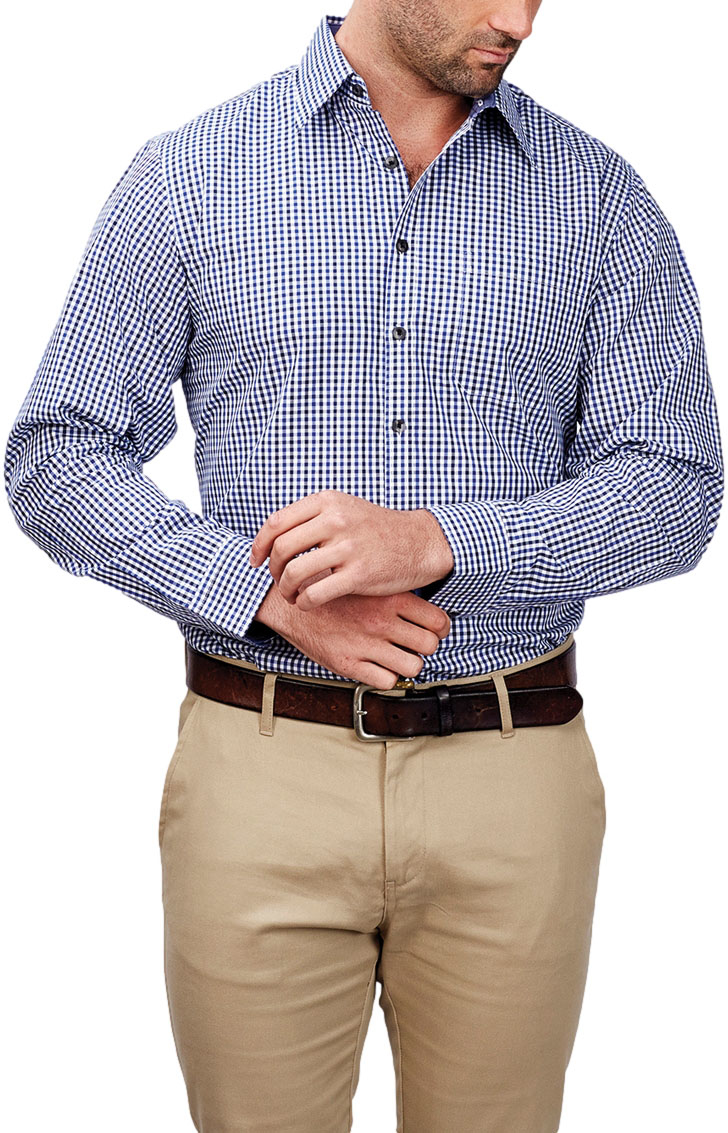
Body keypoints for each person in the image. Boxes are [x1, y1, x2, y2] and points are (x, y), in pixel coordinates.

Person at [4, 2, 723, 1130]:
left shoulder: (600, 199)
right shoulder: (190, 175)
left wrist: (440, 542)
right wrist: (265, 598)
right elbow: (56, 457)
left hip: (513, 771)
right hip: (261, 769)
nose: (519, 20)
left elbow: (675, 488)